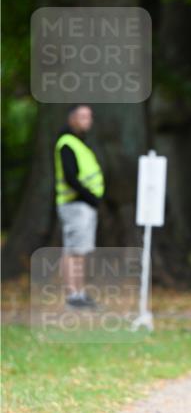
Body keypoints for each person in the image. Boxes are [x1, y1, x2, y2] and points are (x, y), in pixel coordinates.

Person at [54, 104, 105, 307]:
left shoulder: (80, 144)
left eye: (89, 117)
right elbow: (70, 177)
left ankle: (79, 293)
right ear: (71, 118)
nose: (87, 121)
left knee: (80, 251)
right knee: (73, 250)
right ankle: (73, 295)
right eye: (82, 116)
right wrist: (89, 197)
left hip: (83, 205)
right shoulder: (67, 144)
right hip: (75, 204)